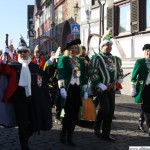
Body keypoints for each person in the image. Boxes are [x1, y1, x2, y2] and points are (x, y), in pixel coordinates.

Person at [1, 35, 52, 150]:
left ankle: (24, 138)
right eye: (20, 52)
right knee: (23, 125)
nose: (22, 54)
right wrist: (4, 59)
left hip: (33, 99)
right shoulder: (13, 66)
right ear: (18, 53)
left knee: (34, 123)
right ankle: (24, 146)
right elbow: (4, 70)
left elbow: (41, 81)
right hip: (19, 100)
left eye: (25, 51)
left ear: (29, 53)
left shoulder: (35, 67)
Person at [88, 31, 123, 142]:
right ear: (101, 46)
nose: (109, 47)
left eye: (110, 45)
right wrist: (99, 84)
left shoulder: (115, 59)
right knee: (105, 109)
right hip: (101, 88)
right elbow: (92, 72)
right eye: (106, 45)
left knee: (110, 110)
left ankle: (105, 133)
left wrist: (120, 78)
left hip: (111, 88)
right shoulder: (96, 58)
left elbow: (119, 71)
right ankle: (98, 126)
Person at [57, 34, 88, 146]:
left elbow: (84, 76)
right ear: (68, 50)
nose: (74, 50)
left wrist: (85, 90)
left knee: (75, 114)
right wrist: (62, 88)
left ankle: (70, 136)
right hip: (68, 90)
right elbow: (60, 74)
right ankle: (63, 134)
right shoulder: (64, 59)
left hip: (77, 90)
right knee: (67, 114)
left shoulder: (81, 60)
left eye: (76, 48)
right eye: (72, 48)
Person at [131, 43, 150, 136]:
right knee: (146, 107)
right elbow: (134, 76)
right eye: (148, 51)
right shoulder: (140, 62)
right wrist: (133, 87)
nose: (149, 52)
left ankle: (140, 123)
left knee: (146, 106)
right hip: (143, 88)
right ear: (145, 52)